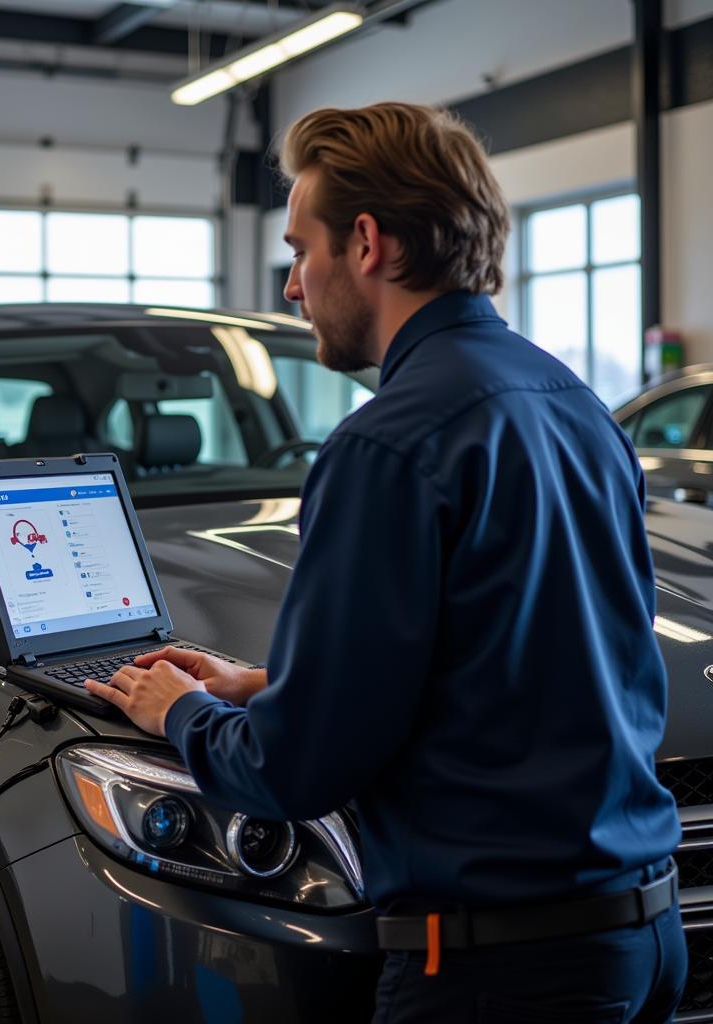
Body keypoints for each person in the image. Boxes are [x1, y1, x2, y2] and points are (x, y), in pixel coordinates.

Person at [85, 102, 686, 1022]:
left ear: (366, 244)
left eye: (299, 249)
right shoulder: (574, 408)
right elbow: (533, 655)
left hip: (497, 970)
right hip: (643, 936)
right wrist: (266, 680)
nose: (292, 286)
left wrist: (188, 714)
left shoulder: (387, 447)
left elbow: (299, 771)